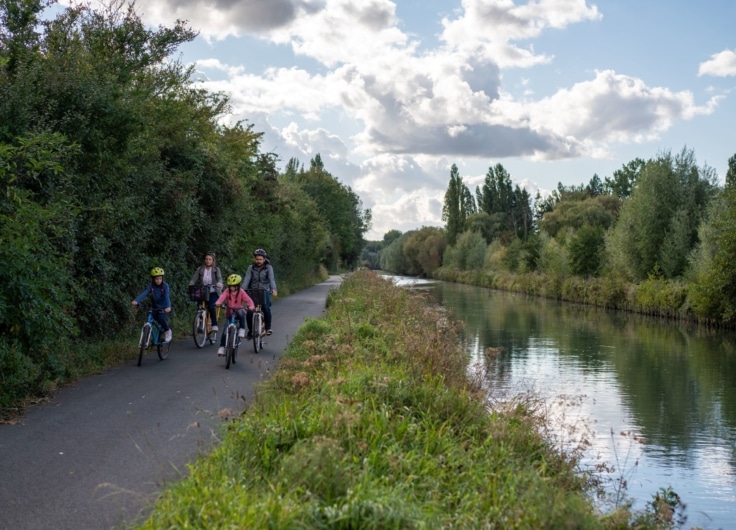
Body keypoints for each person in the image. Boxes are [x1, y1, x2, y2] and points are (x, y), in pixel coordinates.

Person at [215, 274, 255, 356]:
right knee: (225, 330)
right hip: (230, 313)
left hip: (238, 311)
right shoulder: (227, 291)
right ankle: (222, 347)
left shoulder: (241, 292)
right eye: (230, 286)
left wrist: (251, 306)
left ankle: (242, 329)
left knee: (241, 312)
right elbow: (222, 297)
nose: (231, 288)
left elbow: (248, 300)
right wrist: (218, 303)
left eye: (233, 286)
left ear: (238, 286)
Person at [132, 267, 173, 342]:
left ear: (162, 278)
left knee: (160, 318)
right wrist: (136, 300)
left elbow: (167, 296)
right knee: (149, 320)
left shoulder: (165, 286)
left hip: (164, 308)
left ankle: (167, 331)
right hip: (155, 307)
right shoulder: (151, 286)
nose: (158, 281)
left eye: (160, 278)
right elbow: (145, 293)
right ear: (153, 279)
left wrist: (168, 306)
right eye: (156, 279)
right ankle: (145, 340)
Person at [242, 248, 278, 335]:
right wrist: (242, 290)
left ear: (264, 259)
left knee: (265, 308)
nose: (259, 261)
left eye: (260, 259)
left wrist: (274, 289)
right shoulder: (251, 268)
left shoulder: (268, 268)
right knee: (250, 311)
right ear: (255, 259)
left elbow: (271, 279)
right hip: (253, 291)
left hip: (264, 291)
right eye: (257, 259)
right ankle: (251, 330)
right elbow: (247, 279)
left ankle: (268, 327)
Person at [188, 251, 223, 332]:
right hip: (202, 292)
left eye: (210, 259)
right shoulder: (200, 269)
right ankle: (200, 323)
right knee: (200, 307)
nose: (208, 261)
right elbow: (194, 279)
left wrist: (219, 283)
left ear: (213, 260)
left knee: (211, 306)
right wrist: (190, 285)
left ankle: (214, 324)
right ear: (204, 260)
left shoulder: (216, 269)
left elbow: (220, 279)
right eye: (206, 259)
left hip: (213, 291)